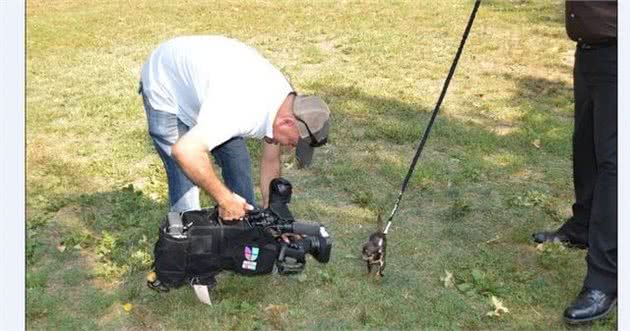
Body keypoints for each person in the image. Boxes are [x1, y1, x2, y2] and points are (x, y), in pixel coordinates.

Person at [139, 35, 331, 220]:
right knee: (185, 183)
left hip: (208, 88)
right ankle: (184, 242)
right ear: (287, 123)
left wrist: (272, 214)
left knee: (238, 163)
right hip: (165, 84)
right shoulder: (237, 110)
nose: (290, 147)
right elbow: (185, 152)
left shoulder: (283, 104)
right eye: (292, 142)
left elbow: (271, 160)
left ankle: (246, 233)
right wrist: (225, 199)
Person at [532, 1, 617, 324]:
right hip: (591, 50)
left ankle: (605, 279)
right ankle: (582, 227)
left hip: (618, 50)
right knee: (587, 148)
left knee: (615, 166)